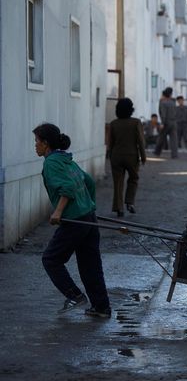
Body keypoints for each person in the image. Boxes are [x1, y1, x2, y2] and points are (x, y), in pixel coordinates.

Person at [33, 123, 112, 318]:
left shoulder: (51, 162)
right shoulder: (65, 158)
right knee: (90, 264)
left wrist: (58, 212)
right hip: (88, 218)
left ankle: (74, 295)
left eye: (37, 141)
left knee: (50, 259)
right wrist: (88, 204)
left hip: (74, 220)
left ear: (45, 143)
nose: (35, 145)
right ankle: (101, 307)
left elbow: (67, 188)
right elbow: (88, 182)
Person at [107, 98, 146, 217]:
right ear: (131, 109)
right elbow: (140, 141)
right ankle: (129, 202)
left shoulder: (113, 123)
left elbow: (110, 142)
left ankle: (119, 208)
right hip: (132, 156)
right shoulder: (136, 122)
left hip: (116, 156)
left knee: (117, 183)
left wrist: (109, 155)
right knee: (133, 179)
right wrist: (143, 156)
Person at [154, 87, 178, 158]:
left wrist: (162, 123)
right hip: (173, 122)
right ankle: (174, 154)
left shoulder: (163, 103)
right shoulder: (173, 102)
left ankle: (157, 152)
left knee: (161, 137)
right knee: (173, 139)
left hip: (166, 122)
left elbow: (163, 114)